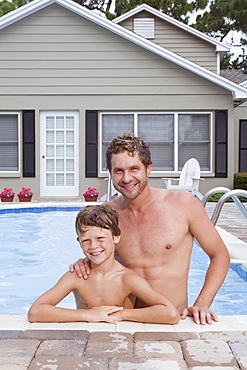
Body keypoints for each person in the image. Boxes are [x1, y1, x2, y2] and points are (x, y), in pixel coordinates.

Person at [70, 132, 230, 325]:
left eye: (134, 169)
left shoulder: (183, 204)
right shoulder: (105, 216)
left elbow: (219, 254)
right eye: (118, 170)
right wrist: (84, 262)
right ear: (111, 173)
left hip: (172, 319)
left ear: (148, 168)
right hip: (123, 321)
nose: (127, 178)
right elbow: (97, 253)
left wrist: (202, 304)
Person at [28, 205, 180, 324]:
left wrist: (120, 313)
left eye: (100, 238)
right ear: (79, 242)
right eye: (86, 240)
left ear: (116, 237)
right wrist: (88, 315)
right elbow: (36, 312)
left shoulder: (126, 279)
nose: (93, 246)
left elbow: (170, 314)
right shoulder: (77, 276)